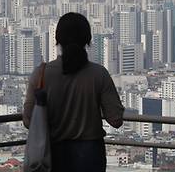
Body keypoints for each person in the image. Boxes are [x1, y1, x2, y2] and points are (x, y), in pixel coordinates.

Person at [23, 12, 125, 172]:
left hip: (52, 153)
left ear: (57, 40)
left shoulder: (41, 74)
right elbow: (116, 120)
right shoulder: (99, 74)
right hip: (90, 155)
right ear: (88, 40)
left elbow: (28, 121)